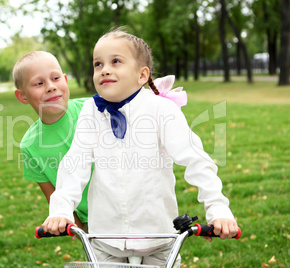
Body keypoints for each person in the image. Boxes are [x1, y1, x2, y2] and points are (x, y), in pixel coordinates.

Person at [42, 29, 238, 266]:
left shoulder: (161, 111)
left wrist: (218, 210)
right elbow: (75, 164)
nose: (104, 69)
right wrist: (61, 210)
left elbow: (196, 160)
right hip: (105, 240)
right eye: (97, 64)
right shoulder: (90, 112)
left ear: (142, 74)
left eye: (115, 61)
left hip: (159, 238)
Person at [13, 51, 89, 229]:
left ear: (65, 80)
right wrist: (78, 229)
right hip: (92, 225)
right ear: (23, 96)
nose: (50, 87)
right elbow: (54, 198)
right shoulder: (30, 146)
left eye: (55, 78)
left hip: (131, 208)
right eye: (39, 83)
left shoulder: (91, 109)